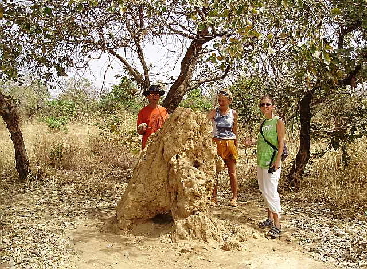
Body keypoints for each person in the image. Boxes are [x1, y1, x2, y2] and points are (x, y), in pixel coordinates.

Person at [256, 95, 285, 239]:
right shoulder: (263, 123)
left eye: (268, 104)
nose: (265, 107)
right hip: (261, 161)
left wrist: (278, 160)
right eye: (262, 105)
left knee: (271, 192)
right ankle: (269, 219)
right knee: (263, 190)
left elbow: (281, 143)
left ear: (273, 106)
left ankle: (277, 224)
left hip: (272, 162)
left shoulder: (278, 121)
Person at [208, 89, 239, 207]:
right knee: (214, 172)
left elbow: (235, 131)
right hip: (216, 144)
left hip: (230, 143)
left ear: (229, 101)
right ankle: (214, 198)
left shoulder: (233, 113)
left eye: (223, 101)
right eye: (219, 100)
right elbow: (203, 121)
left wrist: (236, 146)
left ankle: (234, 197)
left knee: (232, 172)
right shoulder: (214, 112)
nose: (221, 103)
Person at [137, 85, 169, 149]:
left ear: (159, 96)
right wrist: (142, 128)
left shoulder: (164, 110)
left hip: (161, 145)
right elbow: (139, 131)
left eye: (157, 94)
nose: (155, 96)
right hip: (147, 146)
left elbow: (168, 126)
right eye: (152, 94)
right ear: (148, 96)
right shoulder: (142, 112)